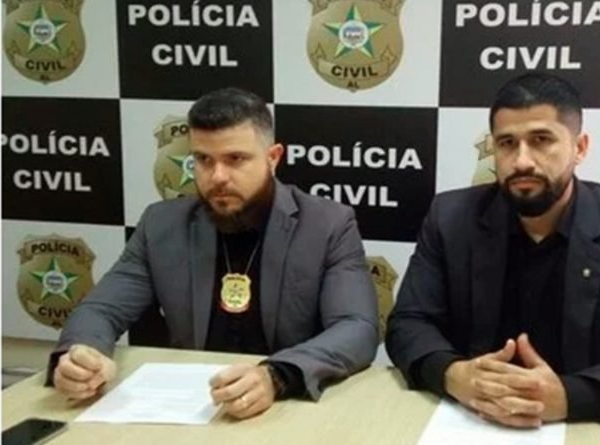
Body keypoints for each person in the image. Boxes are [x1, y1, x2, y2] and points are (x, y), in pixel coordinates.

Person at [385, 72, 600, 427]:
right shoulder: (451, 218)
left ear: (580, 148)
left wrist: (570, 397)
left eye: (541, 140)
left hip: (584, 426)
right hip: (469, 419)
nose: (522, 161)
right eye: (507, 143)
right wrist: (454, 375)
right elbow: (410, 322)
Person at [48, 87, 379, 419]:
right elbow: (101, 310)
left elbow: (357, 327)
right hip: (191, 408)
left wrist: (277, 376)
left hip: (288, 408)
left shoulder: (327, 224)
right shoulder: (161, 225)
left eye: (235, 159)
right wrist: (82, 355)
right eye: (203, 160)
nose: (217, 177)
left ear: (273, 157)